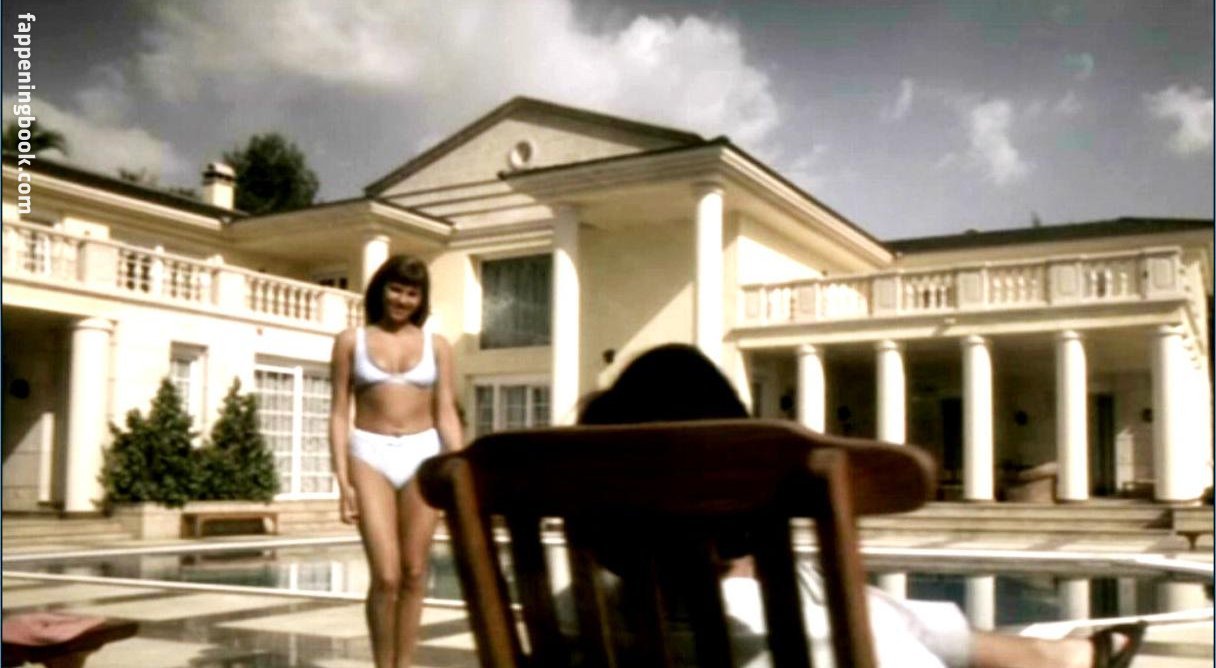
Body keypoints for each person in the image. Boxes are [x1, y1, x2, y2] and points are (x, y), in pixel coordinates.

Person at [578, 343, 1146, 668]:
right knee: (861, 608)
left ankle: (1048, 656)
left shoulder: (579, 619)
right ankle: (1052, 659)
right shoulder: (823, 635)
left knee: (861, 600)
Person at [329, 255, 462, 668]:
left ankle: (403, 663)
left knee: (415, 571)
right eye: (396, 289)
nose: (402, 300)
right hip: (369, 454)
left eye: (411, 293)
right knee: (386, 576)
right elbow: (339, 413)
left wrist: (459, 469)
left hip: (423, 454)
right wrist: (342, 481)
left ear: (421, 299)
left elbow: (445, 412)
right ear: (381, 289)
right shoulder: (350, 341)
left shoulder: (437, 346)